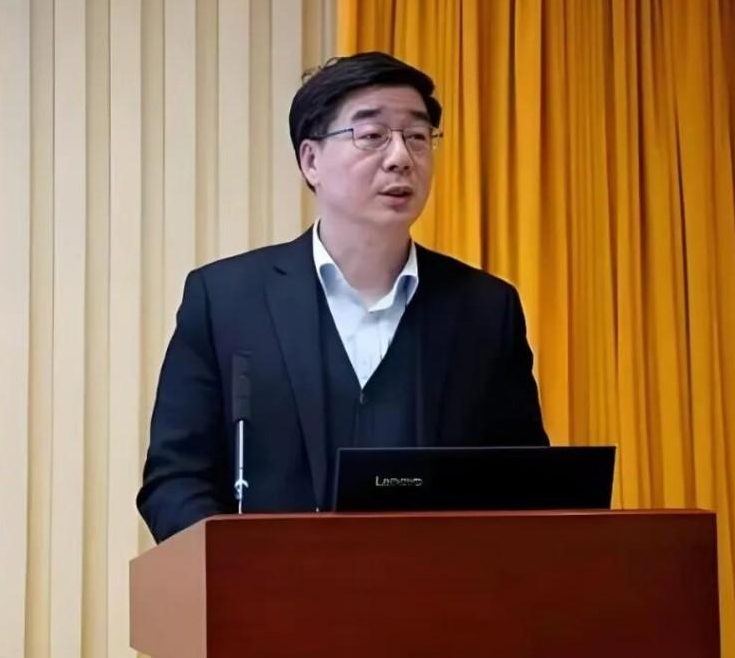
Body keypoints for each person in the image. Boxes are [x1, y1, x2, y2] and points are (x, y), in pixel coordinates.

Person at [137, 51, 548, 543]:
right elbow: (175, 481)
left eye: (418, 136)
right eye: (372, 135)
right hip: (270, 587)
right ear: (311, 160)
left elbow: (529, 486)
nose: (401, 157)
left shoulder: (485, 309)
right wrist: (240, 567)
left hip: (440, 587)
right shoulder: (225, 300)